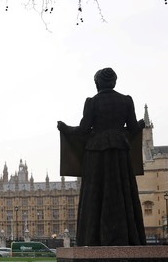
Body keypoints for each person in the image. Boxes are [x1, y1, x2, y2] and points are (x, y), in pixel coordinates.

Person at [57, 67, 146, 246]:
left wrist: (65, 128)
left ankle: (93, 237)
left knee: (95, 194)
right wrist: (141, 124)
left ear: (97, 83)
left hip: (96, 153)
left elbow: (83, 130)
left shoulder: (92, 102)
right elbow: (134, 129)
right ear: (114, 82)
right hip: (120, 152)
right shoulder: (126, 100)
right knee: (122, 193)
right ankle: (127, 237)